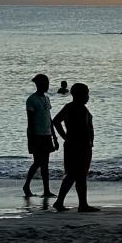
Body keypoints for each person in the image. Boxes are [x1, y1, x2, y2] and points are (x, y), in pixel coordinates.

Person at [51, 83, 99, 212]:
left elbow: (56, 121)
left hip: (81, 145)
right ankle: (81, 204)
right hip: (77, 145)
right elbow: (56, 121)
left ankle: (63, 202)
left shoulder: (79, 108)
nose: (88, 97)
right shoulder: (72, 108)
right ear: (78, 95)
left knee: (74, 175)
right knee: (77, 175)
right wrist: (65, 137)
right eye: (86, 94)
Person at [23, 73, 58, 198]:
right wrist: (32, 137)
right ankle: (27, 185)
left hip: (47, 134)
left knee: (45, 164)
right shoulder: (32, 100)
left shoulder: (46, 99)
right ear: (39, 84)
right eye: (45, 84)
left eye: (47, 83)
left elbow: (49, 119)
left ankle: (46, 190)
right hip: (36, 135)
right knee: (38, 162)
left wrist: (54, 137)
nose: (47, 86)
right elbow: (30, 121)